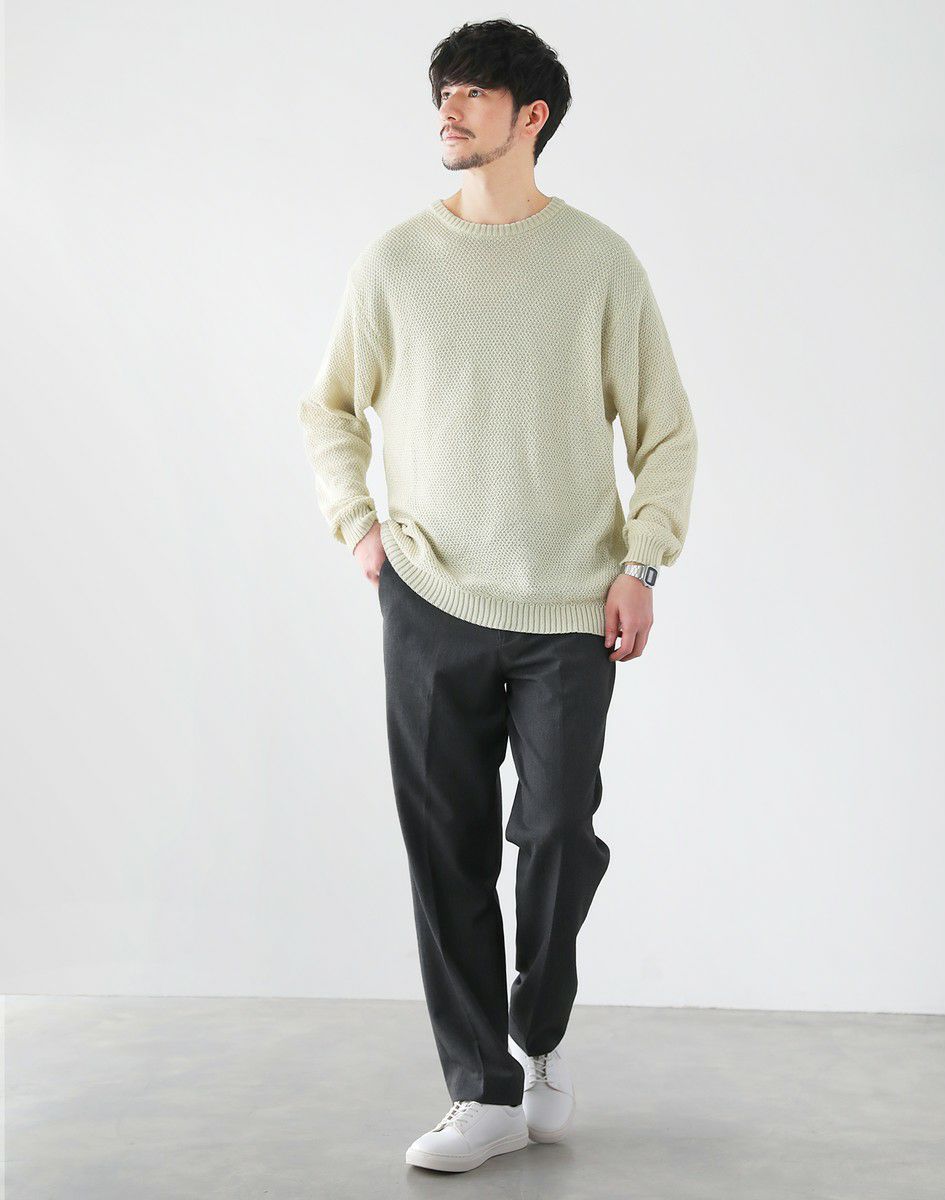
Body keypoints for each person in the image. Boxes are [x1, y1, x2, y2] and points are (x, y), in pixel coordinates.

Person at [297, 17, 698, 1175]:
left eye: (473, 91)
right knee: (448, 847)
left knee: (558, 829)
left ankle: (540, 1025)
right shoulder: (394, 263)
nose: (448, 107)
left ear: (532, 116)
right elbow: (329, 408)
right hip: (428, 595)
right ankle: (480, 1091)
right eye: (443, 89)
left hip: (571, 603)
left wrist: (643, 561)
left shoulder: (598, 264)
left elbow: (665, 432)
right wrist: (359, 525)